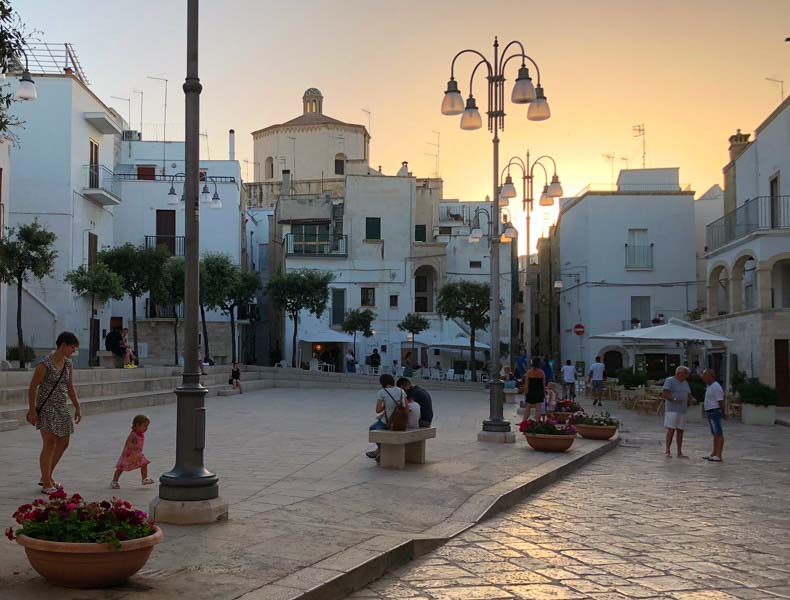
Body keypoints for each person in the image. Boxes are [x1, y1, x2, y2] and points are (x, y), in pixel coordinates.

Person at [27, 332, 82, 494]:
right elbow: (32, 388)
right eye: (72, 347)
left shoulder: (68, 364)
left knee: (64, 443)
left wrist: (77, 407)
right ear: (63, 345)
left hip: (61, 407)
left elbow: (70, 386)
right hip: (46, 408)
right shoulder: (44, 364)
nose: (73, 350)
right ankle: (46, 484)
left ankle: (47, 476)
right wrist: (32, 411)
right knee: (49, 442)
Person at [366, 374, 408, 462]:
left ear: (382, 383)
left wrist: (385, 406)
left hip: (388, 422)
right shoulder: (401, 391)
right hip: (401, 422)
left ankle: (382, 450)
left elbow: (378, 410)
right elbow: (406, 408)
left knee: (373, 428)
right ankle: (379, 451)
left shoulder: (382, 392)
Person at [111, 414, 154, 488]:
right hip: (128, 455)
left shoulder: (140, 434)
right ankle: (114, 481)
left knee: (144, 464)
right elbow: (128, 443)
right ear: (137, 425)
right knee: (120, 468)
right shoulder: (133, 434)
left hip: (137, 455)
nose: (146, 428)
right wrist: (134, 447)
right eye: (144, 426)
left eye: (147, 426)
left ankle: (144, 479)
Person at [662, 365, 692, 458]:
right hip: (672, 409)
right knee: (671, 429)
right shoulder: (670, 380)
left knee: (680, 430)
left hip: (682, 409)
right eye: (685, 374)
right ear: (679, 373)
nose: (687, 376)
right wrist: (674, 399)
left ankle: (679, 452)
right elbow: (665, 393)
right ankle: (667, 450)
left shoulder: (685, 382)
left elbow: (688, 393)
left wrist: (692, 399)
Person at [702, 369, 727, 462]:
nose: (703, 378)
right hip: (710, 411)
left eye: (704, 376)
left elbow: (721, 401)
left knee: (718, 433)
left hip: (715, 411)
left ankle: (719, 454)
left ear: (710, 376)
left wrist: (724, 412)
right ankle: (714, 453)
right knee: (714, 433)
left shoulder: (716, 387)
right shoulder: (710, 386)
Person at [524, 357, 546, 421]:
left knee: (528, 407)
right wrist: (544, 392)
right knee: (538, 407)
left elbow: (526, 384)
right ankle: (537, 422)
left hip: (531, 391)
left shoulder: (529, 372)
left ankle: (524, 421)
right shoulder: (542, 372)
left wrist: (525, 393)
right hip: (539, 391)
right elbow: (543, 384)